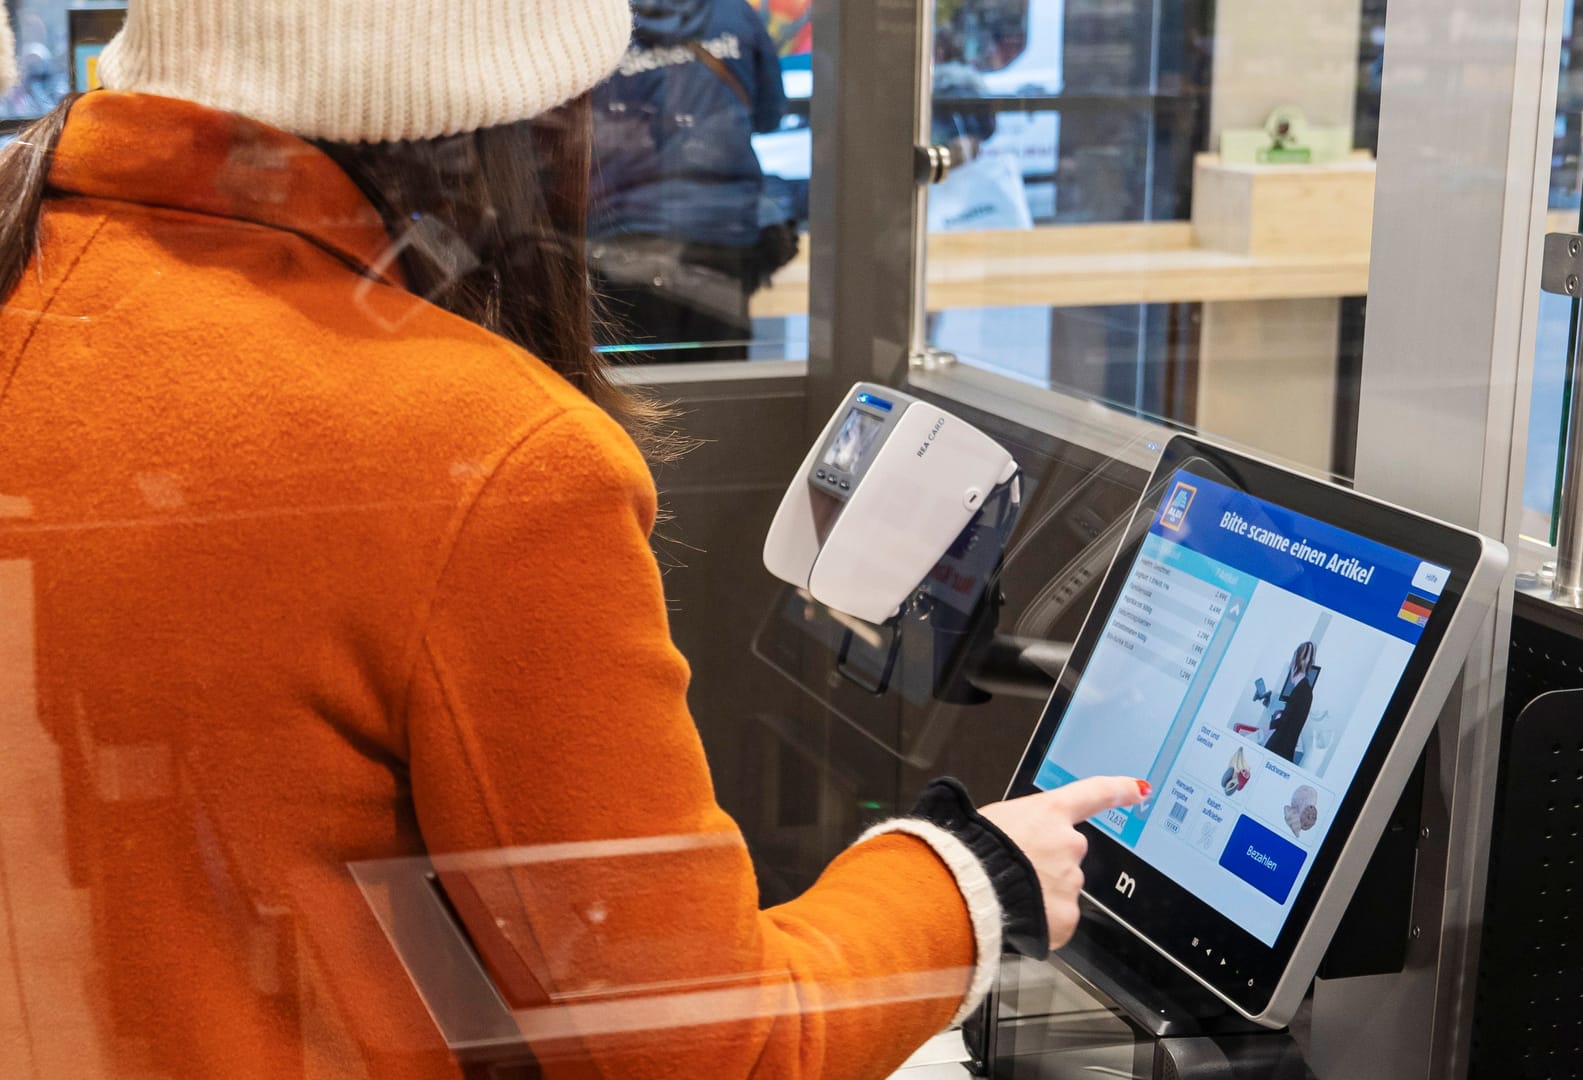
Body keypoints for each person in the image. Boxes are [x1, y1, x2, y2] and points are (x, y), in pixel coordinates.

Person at [0, 2, 1145, 1077]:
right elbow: (696, 1045)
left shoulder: (36, 272)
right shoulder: (478, 450)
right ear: (525, 110)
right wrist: (971, 882)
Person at [589, 0, 792, 359]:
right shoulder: (733, 13)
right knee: (725, 389)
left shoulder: (596, 19)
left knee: (633, 396)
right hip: (722, 237)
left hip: (621, 243)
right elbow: (769, 114)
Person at [1264, 641, 1319, 763]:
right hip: (1284, 747)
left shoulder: (1302, 690)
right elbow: (1290, 715)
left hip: (1280, 750)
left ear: (1295, 663)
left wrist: (1273, 721)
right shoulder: (1304, 689)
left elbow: (1284, 723)